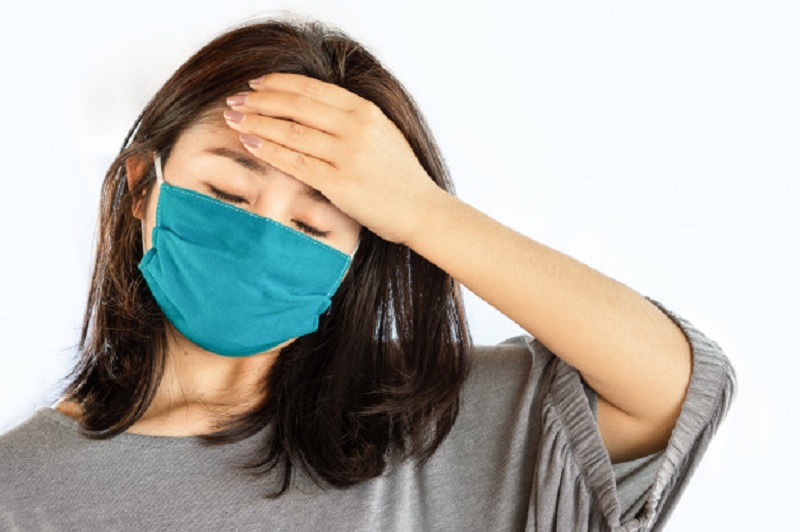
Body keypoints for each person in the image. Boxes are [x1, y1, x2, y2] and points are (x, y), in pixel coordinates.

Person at [0, 16, 735, 532]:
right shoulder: (21, 489)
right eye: (228, 192)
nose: (263, 237)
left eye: (313, 225)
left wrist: (423, 211)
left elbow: (674, 389)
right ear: (141, 188)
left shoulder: (442, 427)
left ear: (359, 251)